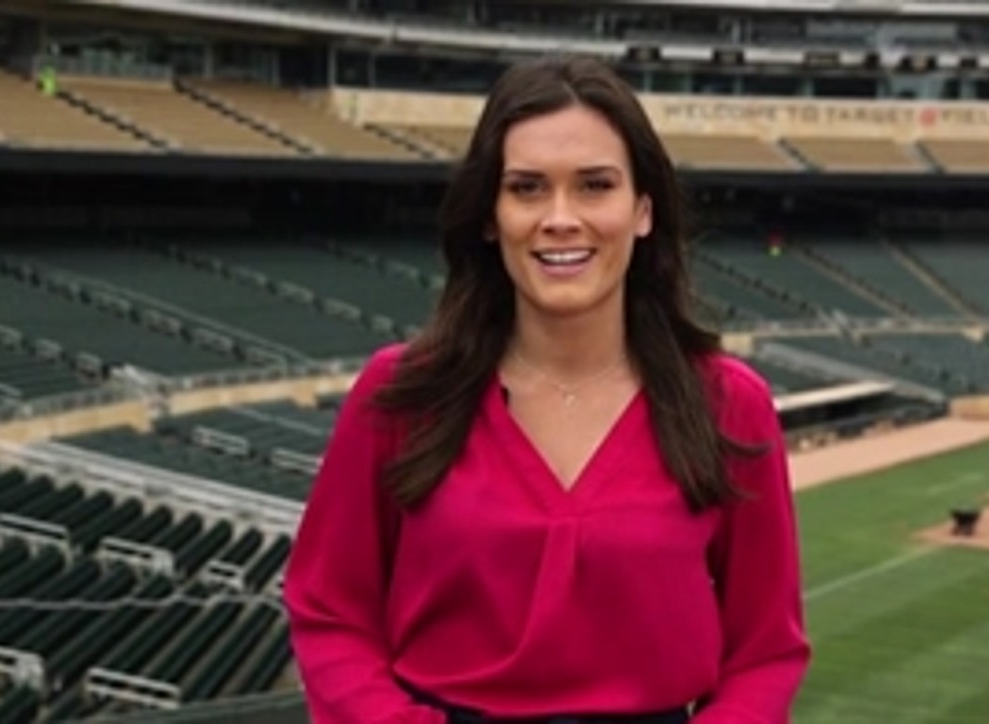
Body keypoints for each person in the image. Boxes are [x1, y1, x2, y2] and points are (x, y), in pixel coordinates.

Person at [283, 54, 810, 723]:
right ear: (488, 214)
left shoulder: (730, 404)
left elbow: (764, 655)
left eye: (595, 185)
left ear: (643, 209)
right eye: (527, 188)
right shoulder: (402, 393)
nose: (560, 218)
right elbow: (329, 614)